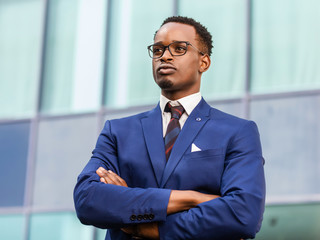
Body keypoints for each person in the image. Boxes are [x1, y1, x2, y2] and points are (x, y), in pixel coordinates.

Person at [74, 16, 265, 240]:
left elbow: (244, 214)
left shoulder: (237, 132)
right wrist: (192, 198)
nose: (164, 55)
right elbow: (87, 199)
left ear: (203, 62)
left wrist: (147, 226)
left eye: (179, 48)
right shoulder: (117, 132)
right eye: (157, 50)